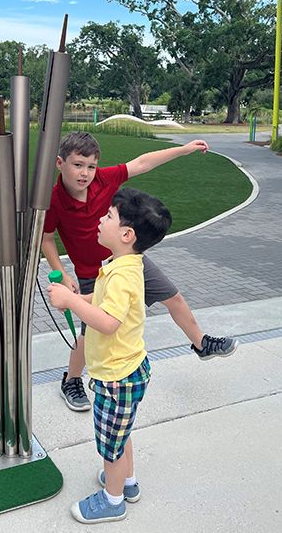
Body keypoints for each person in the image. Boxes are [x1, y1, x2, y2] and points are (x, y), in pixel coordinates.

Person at [41, 132, 238, 412]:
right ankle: (72, 380)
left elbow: (143, 163)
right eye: (78, 165)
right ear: (60, 163)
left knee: (174, 297)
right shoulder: (54, 200)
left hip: (129, 259)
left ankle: (201, 343)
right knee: (89, 331)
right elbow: (46, 239)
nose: (85, 173)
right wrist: (61, 274)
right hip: (93, 274)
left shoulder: (104, 179)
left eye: (91, 166)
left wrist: (183, 150)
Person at [47, 187, 172, 523]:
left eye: (108, 217)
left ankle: (113, 499)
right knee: (122, 431)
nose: (100, 221)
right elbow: (102, 305)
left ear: (126, 234)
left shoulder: (121, 275)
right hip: (129, 368)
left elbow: (108, 322)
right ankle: (127, 482)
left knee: (110, 445)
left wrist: (72, 302)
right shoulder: (124, 264)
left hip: (116, 377)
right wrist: (78, 298)